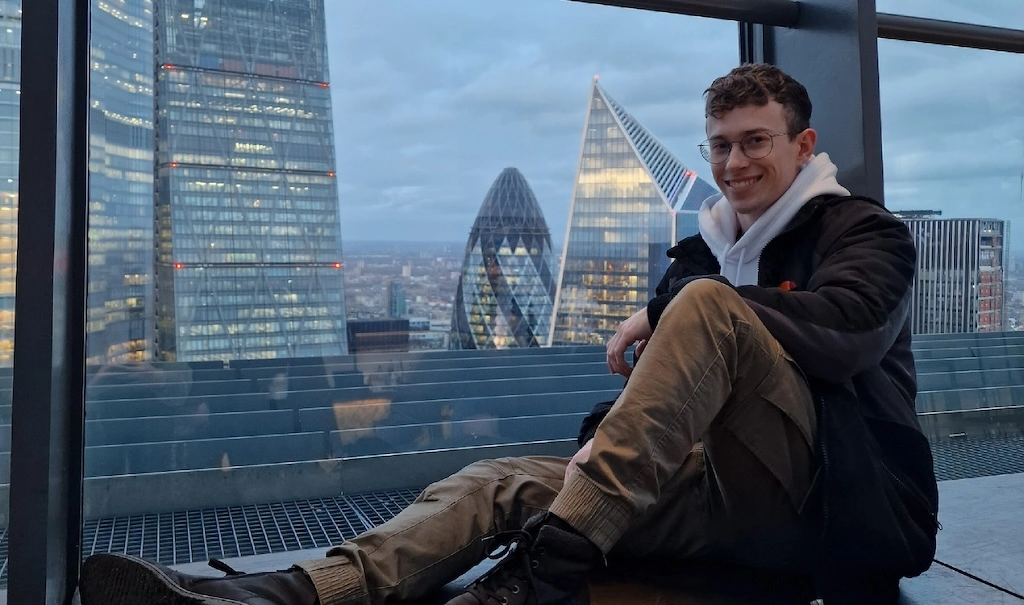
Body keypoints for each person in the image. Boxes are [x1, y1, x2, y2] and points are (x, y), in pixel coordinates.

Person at [77, 63, 939, 605]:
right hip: (714, 499)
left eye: (755, 141)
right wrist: (607, 433)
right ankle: (287, 591)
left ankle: (551, 564)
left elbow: (848, 330)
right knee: (497, 480)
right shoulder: (709, 252)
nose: (733, 163)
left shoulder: (860, 233)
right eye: (719, 145)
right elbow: (666, 393)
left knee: (707, 311)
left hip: (831, 513)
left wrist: (681, 304)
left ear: (804, 145)